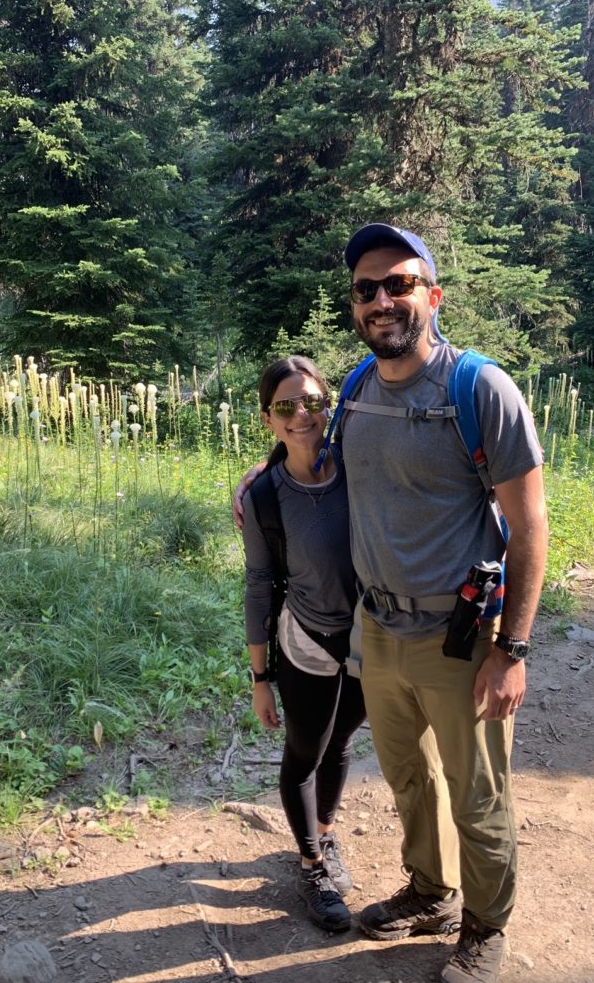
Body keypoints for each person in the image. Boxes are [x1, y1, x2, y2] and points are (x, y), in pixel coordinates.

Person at [235, 226, 548, 983]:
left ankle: (485, 926)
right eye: (366, 289)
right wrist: (262, 478)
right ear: (355, 307)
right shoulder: (354, 391)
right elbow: (322, 459)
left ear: (432, 296)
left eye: (399, 283)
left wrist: (511, 650)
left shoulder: (479, 389)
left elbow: (530, 524)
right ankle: (430, 891)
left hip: (460, 635)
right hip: (376, 630)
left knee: (477, 793)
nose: (381, 299)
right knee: (409, 775)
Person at [242, 356, 366, 934]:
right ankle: (313, 867)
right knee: (304, 752)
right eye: (285, 406)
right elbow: (258, 586)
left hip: (367, 639)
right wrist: (260, 679)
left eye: (312, 402)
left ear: (328, 405)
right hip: (306, 643)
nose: (301, 415)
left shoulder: (359, 466)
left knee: (340, 741)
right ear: (268, 418)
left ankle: (326, 833)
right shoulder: (265, 497)